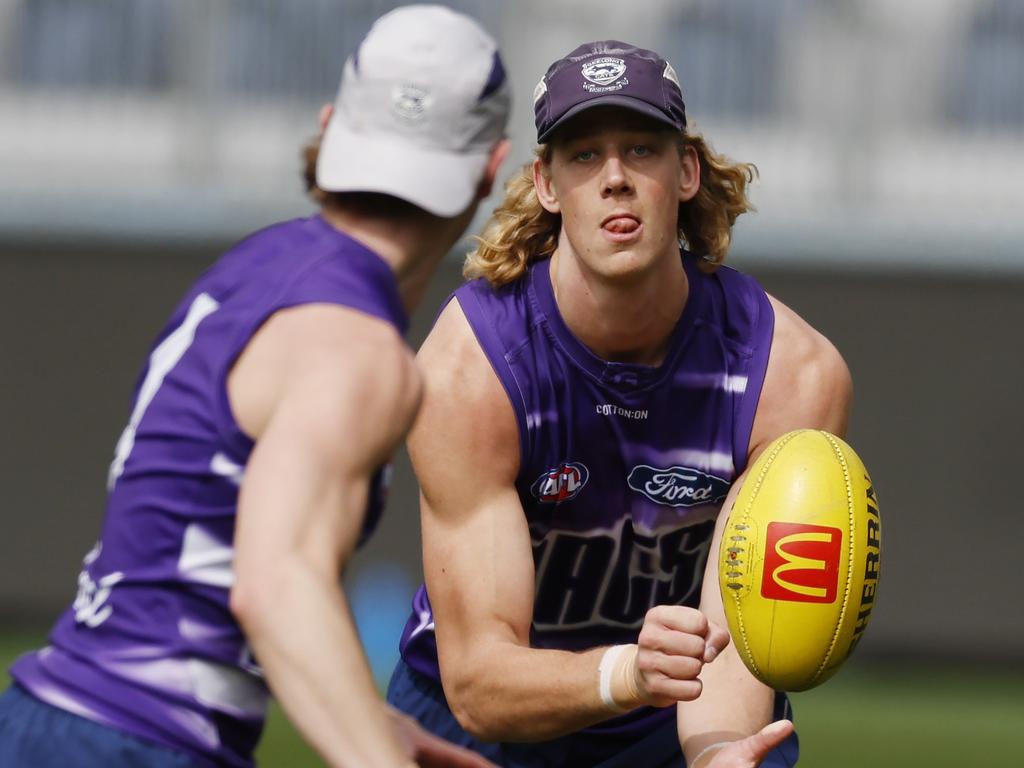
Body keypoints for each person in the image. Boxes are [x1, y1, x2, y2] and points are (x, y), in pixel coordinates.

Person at [0, 6, 510, 768]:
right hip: (141, 742)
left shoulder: (259, 266)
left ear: (334, 122)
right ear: (491, 168)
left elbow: (201, 549)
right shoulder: (361, 352)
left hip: (49, 715)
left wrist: (369, 721)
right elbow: (276, 586)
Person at [386, 40, 851, 767]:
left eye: (641, 149)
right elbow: (479, 680)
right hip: (475, 724)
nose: (615, 179)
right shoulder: (469, 367)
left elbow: (737, 633)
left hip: (681, 715)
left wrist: (716, 754)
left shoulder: (790, 372)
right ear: (545, 183)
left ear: (687, 171)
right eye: (583, 156)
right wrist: (628, 671)